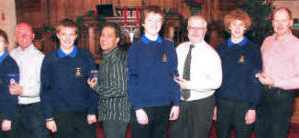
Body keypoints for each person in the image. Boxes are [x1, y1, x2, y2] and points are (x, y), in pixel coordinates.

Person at [127, 5, 180, 138]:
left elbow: (174, 76)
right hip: (143, 106)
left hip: (164, 105)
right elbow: (131, 80)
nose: (154, 24)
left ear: (162, 24)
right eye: (150, 20)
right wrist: (137, 108)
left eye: (158, 20)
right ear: (143, 23)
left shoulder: (169, 46)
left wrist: (176, 103)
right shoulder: (135, 48)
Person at [40, 18, 98, 138]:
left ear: (76, 36)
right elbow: (46, 90)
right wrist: (49, 117)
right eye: (64, 34)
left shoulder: (85, 56)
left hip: (83, 113)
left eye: (71, 34)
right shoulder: (49, 60)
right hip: (60, 114)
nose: (67, 39)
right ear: (58, 35)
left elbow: (94, 85)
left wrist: (92, 111)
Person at [170, 15, 222, 138]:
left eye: (199, 28)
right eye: (192, 27)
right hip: (181, 101)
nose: (195, 31)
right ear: (187, 29)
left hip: (202, 104)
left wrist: (188, 85)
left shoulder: (211, 54)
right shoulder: (180, 48)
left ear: (205, 31)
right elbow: (173, 71)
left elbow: (216, 82)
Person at [215, 9, 262, 138]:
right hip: (223, 103)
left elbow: (256, 80)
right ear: (229, 26)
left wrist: (253, 107)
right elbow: (216, 78)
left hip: (244, 104)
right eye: (234, 24)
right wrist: (215, 105)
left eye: (241, 24)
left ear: (246, 27)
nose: (237, 28)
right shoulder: (220, 49)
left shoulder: (254, 50)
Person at [255, 7, 299, 138]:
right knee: (260, 132)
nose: (279, 24)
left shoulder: (296, 45)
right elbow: (260, 65)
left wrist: (275, 82)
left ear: (290, 22)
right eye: (276, 20)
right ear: (272, 22)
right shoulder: (267, 41)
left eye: (284, 21)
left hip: (282, 97)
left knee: (277, 134)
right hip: (263, 95)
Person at [87, 22, 130, 138]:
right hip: (110, 113)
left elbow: (120, 89)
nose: (104, 39)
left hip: (116, 115)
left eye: (109, 36)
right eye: (102, 35)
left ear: (116, 40)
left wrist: (95, 87)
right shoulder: (107, 57)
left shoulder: (116, 60)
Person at [9, 22, 49, 138]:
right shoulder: (11, 55)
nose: (24, 36)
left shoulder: (40, 57)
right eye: (20, 33)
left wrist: (23, 90)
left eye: (27, 33)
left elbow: (43, 87)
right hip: (15, 107)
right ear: (15, 37)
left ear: (32, 36)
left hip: (35, 108)